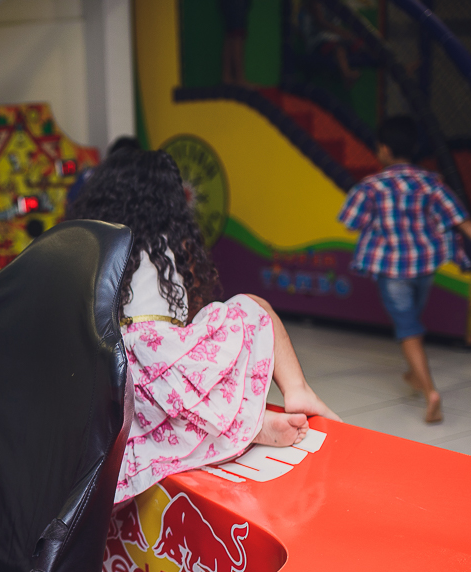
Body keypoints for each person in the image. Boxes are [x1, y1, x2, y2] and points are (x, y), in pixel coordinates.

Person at [66, 149, 340, 504]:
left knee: (164, 401)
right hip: (161, 365)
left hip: (121, 381)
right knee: (252, 307)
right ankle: (296, 393)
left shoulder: (94, 250)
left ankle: (248, 427)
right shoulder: (166, 243)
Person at [339, 116, 471, 424]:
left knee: (407, 327)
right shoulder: (431, 181)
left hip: (392, 268)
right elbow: (458, 217)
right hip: (425, 266)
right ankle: (415, 373)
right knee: (412, 322)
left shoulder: (372, 186)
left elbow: (350, 221)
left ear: (383, 150)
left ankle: (430, 393)